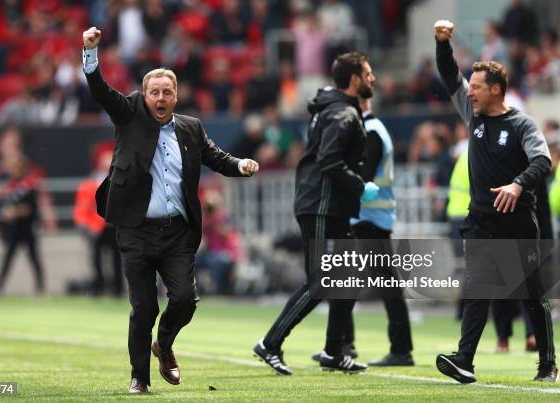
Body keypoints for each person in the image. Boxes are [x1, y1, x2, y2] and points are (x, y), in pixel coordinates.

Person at [81, 27, 259, 394]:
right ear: (144, 95)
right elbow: (100, 92)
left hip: (177, 231)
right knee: (143, 308)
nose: (160, 97)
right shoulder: (129, 114)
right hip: (136, 230)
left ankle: (164, 343)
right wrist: (89, 53)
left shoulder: (191, 129)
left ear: (176, 96)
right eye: (154, 92)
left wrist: (240, 165)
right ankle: (139, 378)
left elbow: (216, 158)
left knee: (184, 301)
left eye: (167, 92)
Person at [433, 19, 557, 384]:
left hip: (517, 222)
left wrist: (518, 185)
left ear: (497, 90)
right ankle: (465, 360)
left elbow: (543, 162)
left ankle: (547, 363)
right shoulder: (474, 117)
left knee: (531, 294)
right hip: (481, 221)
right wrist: (442, 43)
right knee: (477, 288)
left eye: (476, 87)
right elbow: (448, 76)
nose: (468, 93)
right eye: (469, 87)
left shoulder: (522, 125)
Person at [253, 51, 378, 375]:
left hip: (326, 205)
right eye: (367, 73)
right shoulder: (343, 113)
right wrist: (359, 185)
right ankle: (270, 343)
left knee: (350, 275)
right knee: (322, 281)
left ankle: (335, 351)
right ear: (354, 79)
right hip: (322, 205)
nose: (372, 79)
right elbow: (329, 160)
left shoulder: (335, 109)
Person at [311, 96, 415, 367]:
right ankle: (347, 345)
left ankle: (393, 348)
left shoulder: (370, 132)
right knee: (365, 281)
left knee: (366, 282)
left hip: (369, 218)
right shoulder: (375, 129)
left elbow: (363, 175)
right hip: (371, 217)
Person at [73, 144, 122, 297]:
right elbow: (83, 206)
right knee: (96, 258)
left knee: (116, 259)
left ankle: (117, 289)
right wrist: (84, 224)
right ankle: (99, 286)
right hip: (97, 225)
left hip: (114, 225)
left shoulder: (120, 181)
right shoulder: (90, 183)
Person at [0, 153, 45, 295]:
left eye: (15, 166)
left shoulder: (28, 185)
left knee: (34, 259)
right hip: (13, 229)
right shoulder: (11, 184)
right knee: (7, 259)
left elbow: (31, 209)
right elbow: (3, 203)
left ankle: (40, 288)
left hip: (27, 228)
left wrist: (14, 212)